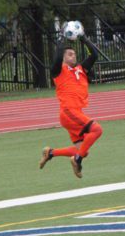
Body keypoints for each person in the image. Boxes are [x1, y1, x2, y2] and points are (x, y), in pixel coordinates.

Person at [39, 31, 103, 179]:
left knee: (82, 150)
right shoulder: (58, 70)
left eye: (74, 54)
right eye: (69, 54)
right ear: (63, 57)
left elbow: (94, 55)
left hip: (75, 114)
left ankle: (50, 153)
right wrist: (61, 40)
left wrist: (83, 38)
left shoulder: (81, 69)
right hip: (69, 112)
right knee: (97, 130)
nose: (73, 56)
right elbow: (55, 59)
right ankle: (77, 160)